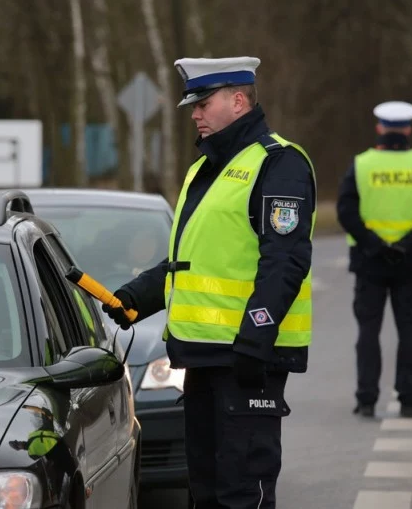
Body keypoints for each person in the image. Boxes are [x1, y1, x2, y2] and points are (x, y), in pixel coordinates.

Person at [103, 56, 316, 509]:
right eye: (192, 105)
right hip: (201, 358)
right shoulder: (206, 168)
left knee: (242, 495)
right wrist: (137, 298)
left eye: (203, 102)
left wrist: (255, 336)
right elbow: (190, 263)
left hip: (245, 359)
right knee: (206, 492)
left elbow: (286, 261)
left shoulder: (279, 165)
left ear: (239, 101)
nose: (194, 113)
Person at [336, 101, 412, 419]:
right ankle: (409, 400)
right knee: (409, 331)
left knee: (368, 331)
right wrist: (406, 245)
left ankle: (367, 399)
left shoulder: (362, 164)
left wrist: (374, 244)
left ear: (380, 128)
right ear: (409, 130)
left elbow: (346, 210)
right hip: (410, 262)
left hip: (370, 261)